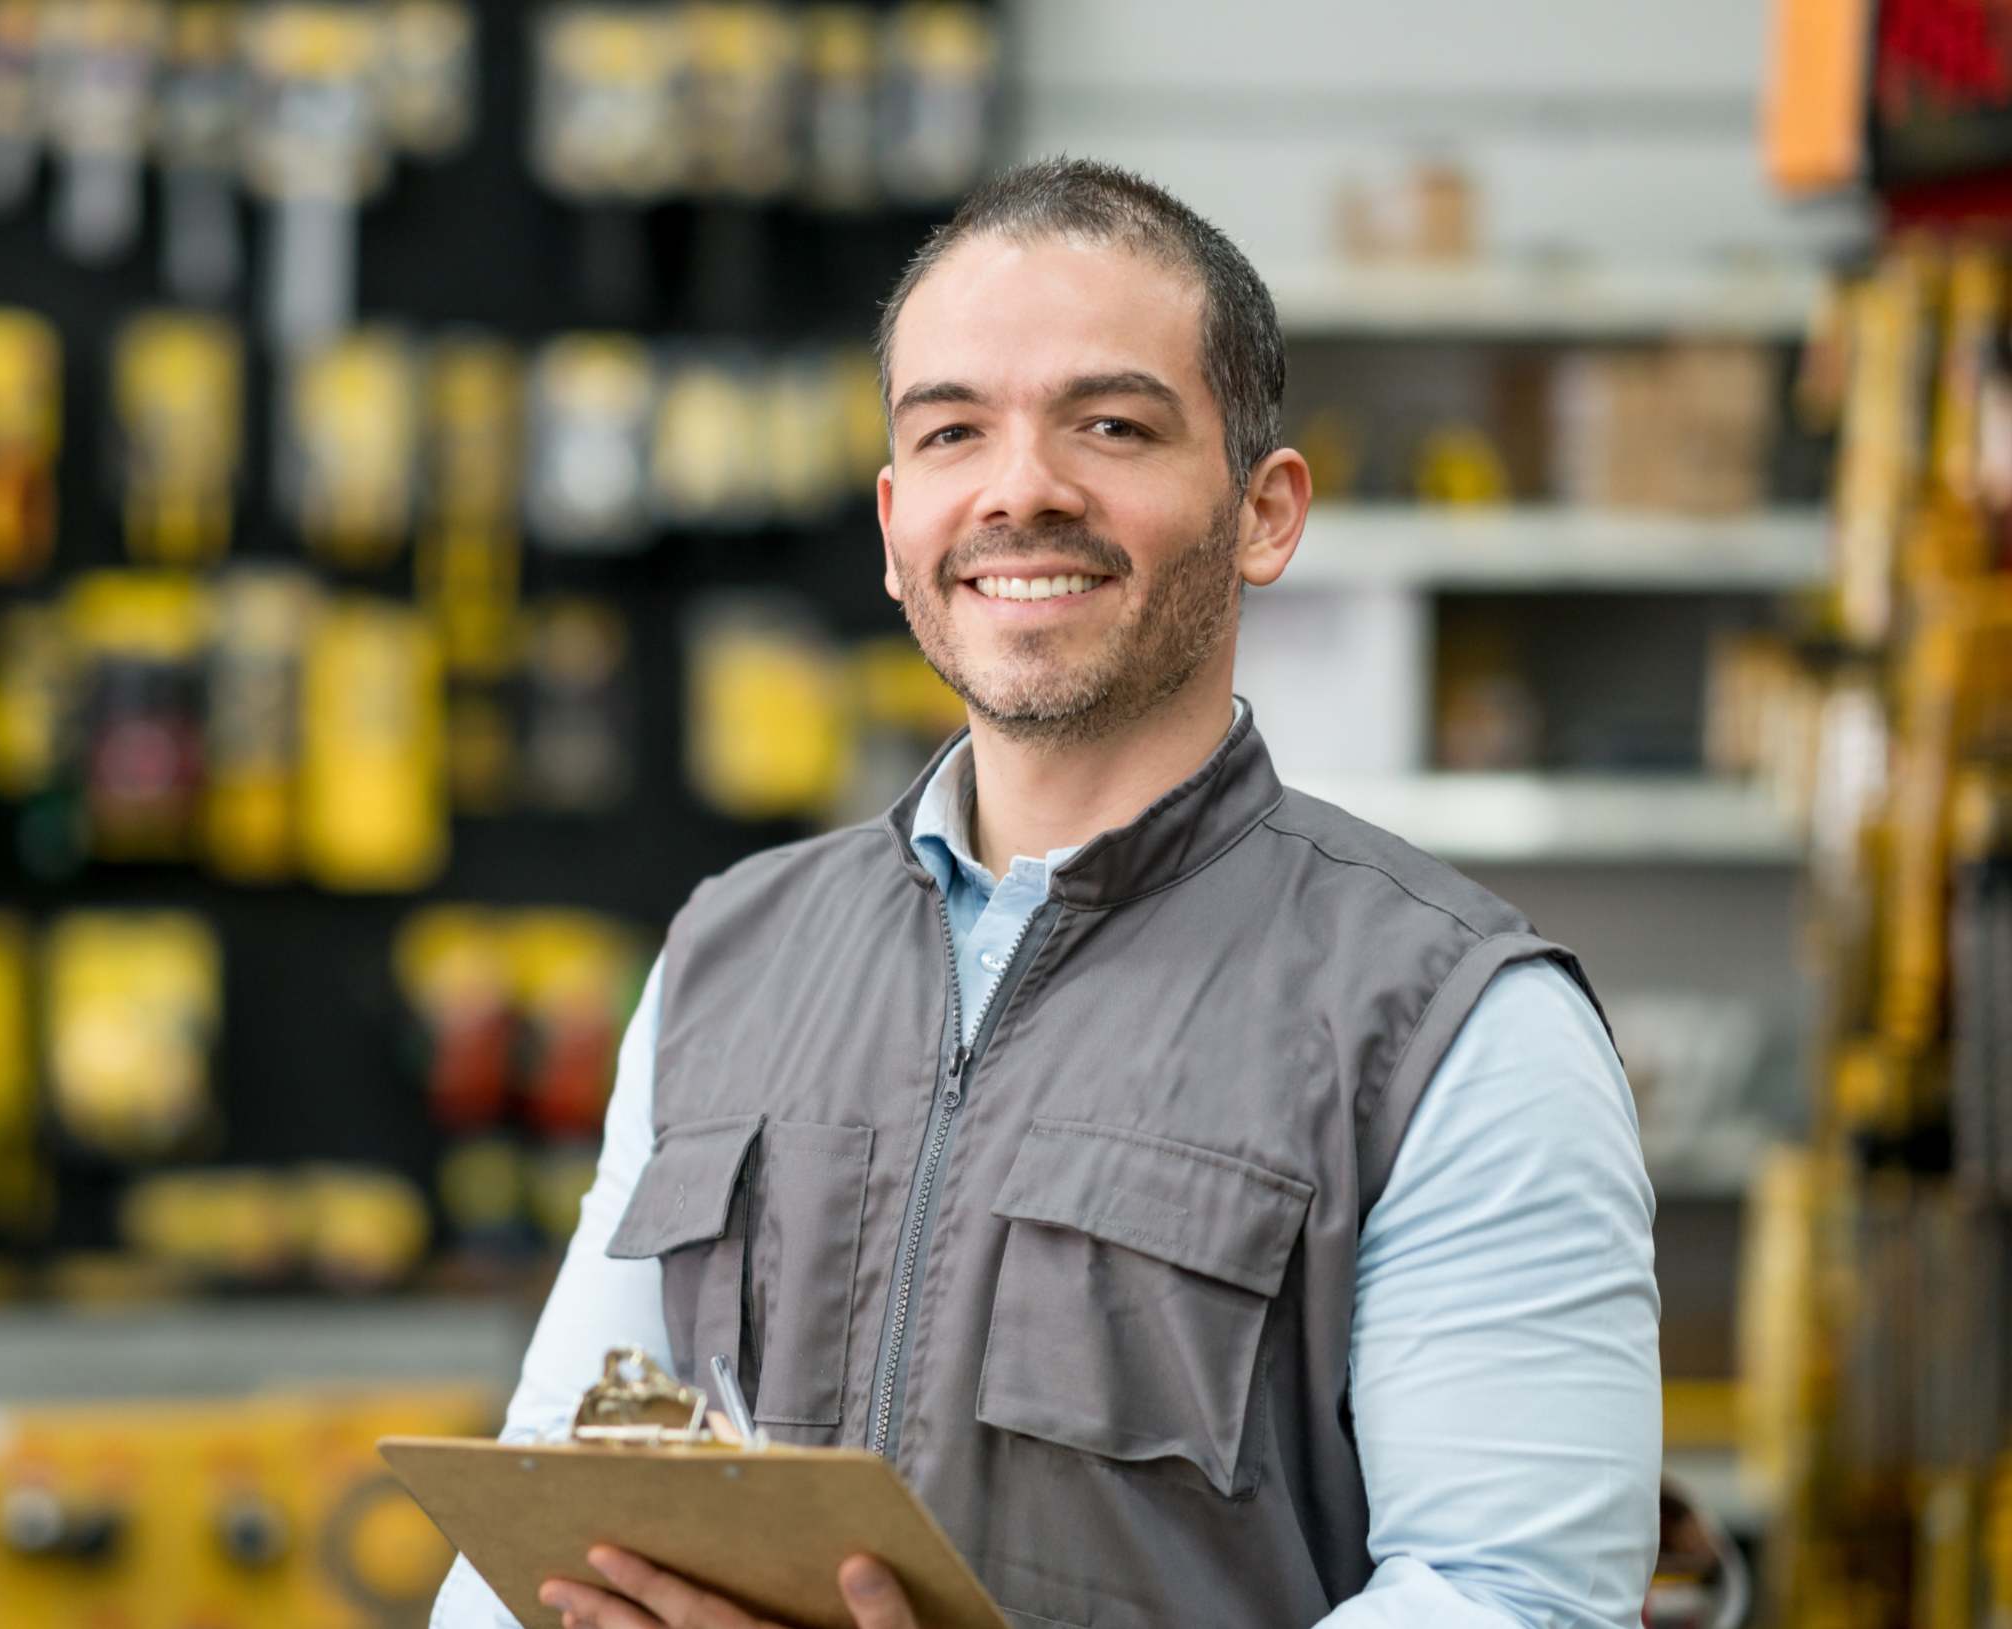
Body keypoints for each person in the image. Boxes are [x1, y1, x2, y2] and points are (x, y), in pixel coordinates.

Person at [428, 156, 1660, 1629]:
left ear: (1265, 512)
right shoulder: (723, 964)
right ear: (896, 525)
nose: (1021, 489)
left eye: (1113, 424)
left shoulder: (1453, 1027)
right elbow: (553, 1503)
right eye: (954, 431)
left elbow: (1514, 1598)